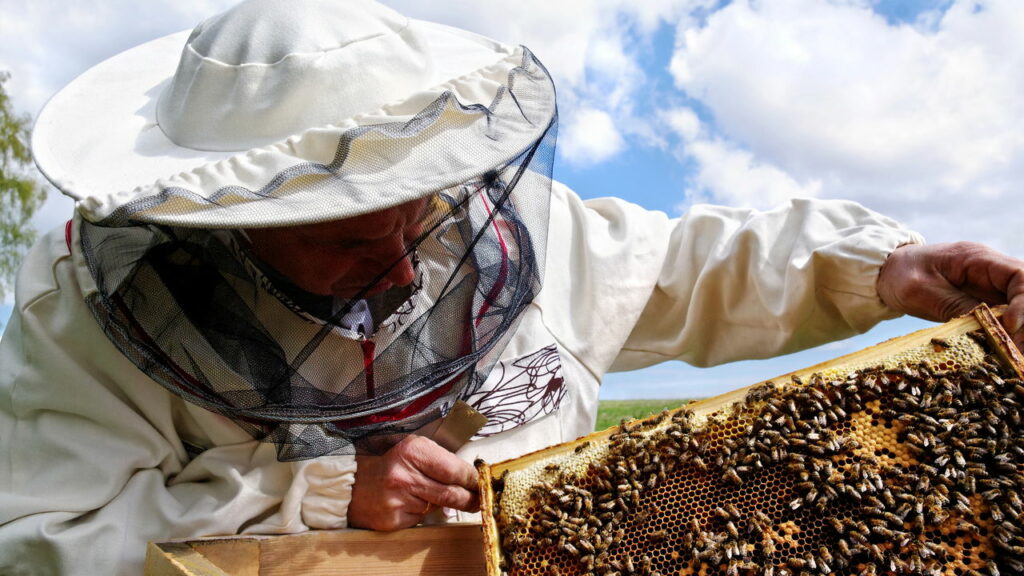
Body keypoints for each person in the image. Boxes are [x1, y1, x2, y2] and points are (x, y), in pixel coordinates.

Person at [1, 0, 1021, 574]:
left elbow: (690, 267)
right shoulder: (77, 327)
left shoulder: (514, 229)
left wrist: (880, 270)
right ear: (230, 233)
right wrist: (308, 495)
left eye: (414, 216)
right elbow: (43, 538)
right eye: (352, 245)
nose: (404, 265)